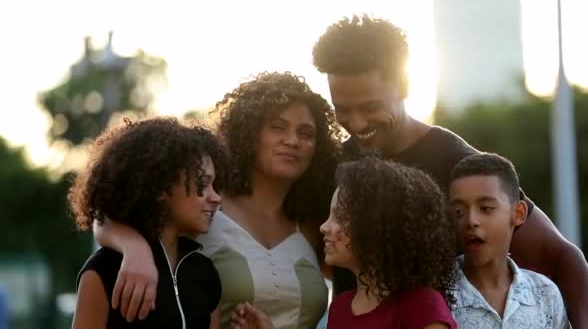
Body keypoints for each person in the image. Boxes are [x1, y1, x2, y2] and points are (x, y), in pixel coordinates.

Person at [311, 14, 588, 328]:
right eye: (343, 108)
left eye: (370, 107)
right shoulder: (335, 163)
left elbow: (561, 258)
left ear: (405, 84)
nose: (357, 123)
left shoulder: (453, 160)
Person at [93, 72, 343, 328]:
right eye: (277, 127)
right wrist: (135, 250)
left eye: (306, 133)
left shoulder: (316, 224)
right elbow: (106, 218)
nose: (292, 141)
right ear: (249, 132)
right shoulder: (206, 208)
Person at [232, 156, 457, 329]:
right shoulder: (340, 308)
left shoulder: (423, 306)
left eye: (339, 217)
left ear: (377, 226)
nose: (324, 227)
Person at [70, 117, 227, 328]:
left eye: (214, 185)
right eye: (203, 184)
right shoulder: (103, 270)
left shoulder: (204, 272)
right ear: (161, 187)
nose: (216, 197)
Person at [448, 153, 569, 328]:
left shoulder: (545, 294)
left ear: (518, 214)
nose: (471, 220)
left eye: (486, 208)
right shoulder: (435, 294)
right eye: (459, 211)